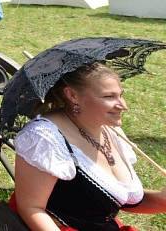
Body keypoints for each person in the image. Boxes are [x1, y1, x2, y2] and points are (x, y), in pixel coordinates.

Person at [10, 62, 166, 230]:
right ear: (72, 95)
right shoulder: (44, 138)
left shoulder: (111, 130)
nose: (123, 105)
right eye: (109, 97)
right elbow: (31, 208)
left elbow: (114, 201)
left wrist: (163, 198)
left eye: (121, 95)